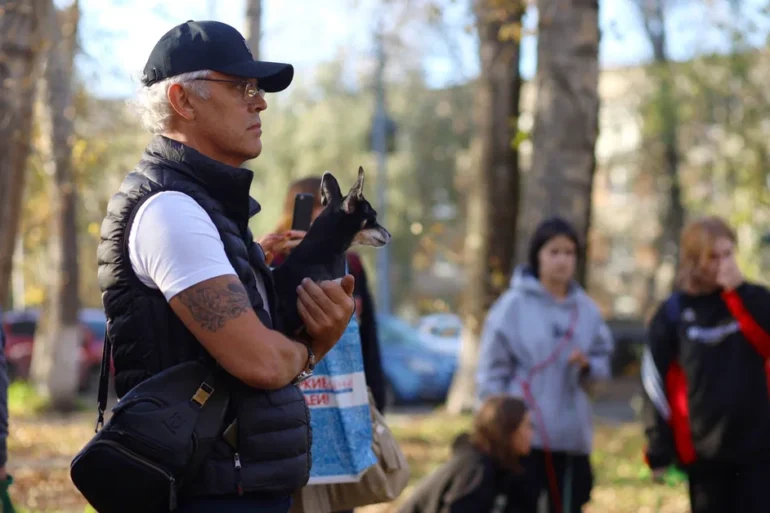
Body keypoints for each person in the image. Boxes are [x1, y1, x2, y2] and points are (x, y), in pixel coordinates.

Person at [100, 20, 355, 513]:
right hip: (205, 492)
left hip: (228, 485)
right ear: (183, 100)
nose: (259, 102)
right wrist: (315, 343)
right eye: (241, 87)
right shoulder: (171, 209)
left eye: (257, 89)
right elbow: (259, 362)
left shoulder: (203, 205)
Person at [475, 217, 614, 513]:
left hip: (571, 440)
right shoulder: (512, 307)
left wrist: (588, 366)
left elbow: (603, 367)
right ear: (537, 255)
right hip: (523, 439)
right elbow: (491, 373)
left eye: (569, 252)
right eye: (554, 252)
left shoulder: (587, 310)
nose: (562, 260)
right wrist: (499, 429)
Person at [642, 216, 770, 513]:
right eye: (713, 257)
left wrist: (741, 292)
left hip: (758, 450)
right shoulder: (673, 313)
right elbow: (654, 384)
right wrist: (658, 448)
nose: (723, 265)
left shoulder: (753, 298)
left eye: (728, 255)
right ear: (694, 260)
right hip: (704, 455)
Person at [265, 177, 387, 413]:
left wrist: (376, 393)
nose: (324, 211)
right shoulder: (271, 258)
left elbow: (368, 333)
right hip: (288, 387)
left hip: (341, 390)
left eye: (328, 204)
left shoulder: (351, 265)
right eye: (316, 205)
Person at [396, 396, 537, 513]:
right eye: (527, 425)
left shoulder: (501, 466)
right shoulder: (476, 469)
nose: (531, 433)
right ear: (508, 431)